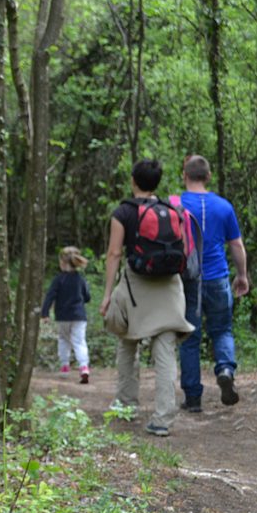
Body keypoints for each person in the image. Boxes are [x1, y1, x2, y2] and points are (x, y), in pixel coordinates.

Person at [100, 159, 194, 437]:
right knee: (164, 350)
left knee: (127, 341)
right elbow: (185, 249)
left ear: (133, 181)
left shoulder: (123, 212)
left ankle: (126, 404)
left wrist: (107, 295)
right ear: (157, 182)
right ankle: (163, 418)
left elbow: (114, 254)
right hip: (170, 286)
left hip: (137, 287)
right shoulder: (173, 210)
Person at [177, 155, 250, 412]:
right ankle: (226, 369)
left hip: (187, 281)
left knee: (189, 338)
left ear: (184, 175)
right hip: (218, 277)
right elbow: (236, 245)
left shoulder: (177, 205)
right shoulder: (224, 207)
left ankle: (193, 399)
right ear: (208, 177)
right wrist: (242, 276)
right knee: (222, 330)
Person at [41, 246, 92, 383]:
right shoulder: (80, 279)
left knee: (64, 339)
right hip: (79, 316)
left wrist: (45, 313)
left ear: (63, 263)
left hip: (62, 316)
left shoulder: (58, 280)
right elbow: (87, 297)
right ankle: (84, 367)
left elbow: (50, 296)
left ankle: (64, 366)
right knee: (79, 341)